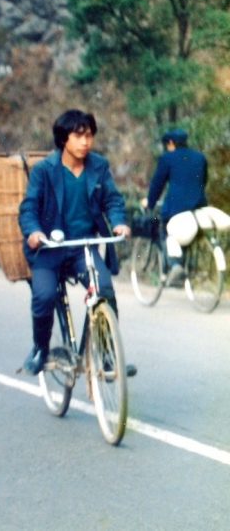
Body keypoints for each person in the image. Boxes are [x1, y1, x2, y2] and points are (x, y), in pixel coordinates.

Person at [18, 109, 133, 376]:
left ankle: (107, 355)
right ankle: (40, 348)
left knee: (104, 290)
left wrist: (118, 221)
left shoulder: (98, 166)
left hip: (84, 247)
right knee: (44, 297)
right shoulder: (44, 170)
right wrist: (34, 232)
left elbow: (113, 200)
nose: (85, 142)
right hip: (50, 249)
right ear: (63, 139)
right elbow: (29, 208)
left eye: (89, 135)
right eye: (78, 136)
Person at [145, 127, 208, 282]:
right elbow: (204, 180)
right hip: (199, 207)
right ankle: (185, 267)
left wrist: (150, 203)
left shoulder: (168, 158)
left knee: (166, 230)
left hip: (176, 208)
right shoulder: (200, 157)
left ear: (171, 143)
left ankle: (174, 265)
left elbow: (157, 184)